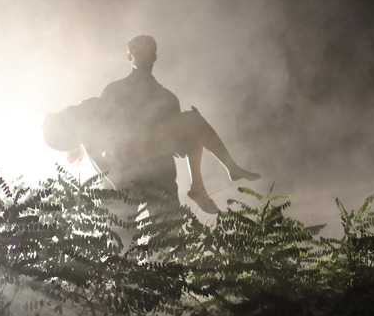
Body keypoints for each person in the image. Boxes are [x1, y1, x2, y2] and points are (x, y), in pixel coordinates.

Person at [43, 35, 259, 213]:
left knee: (168, 246)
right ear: (130, 57)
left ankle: (203, 183)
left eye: (146, 53)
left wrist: (190, 130)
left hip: (157, 173)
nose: (143, 57)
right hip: (125, 170)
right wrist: (110, 179)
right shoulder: (114, 92)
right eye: (139, 52)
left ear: (154, 57)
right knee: (121, 247)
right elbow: (93, 138)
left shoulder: (167, 98)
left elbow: (179, 148)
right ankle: (201, 185)